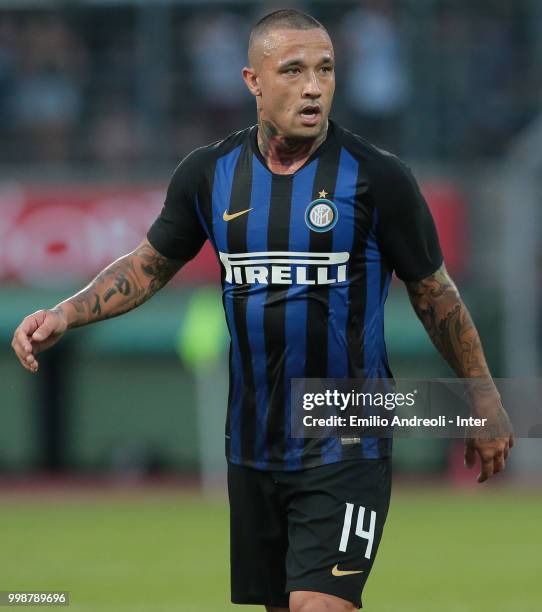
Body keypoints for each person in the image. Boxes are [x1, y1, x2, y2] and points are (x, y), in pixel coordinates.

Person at [11, 9, 514, 612]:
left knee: (319, 605)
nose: (313, 86)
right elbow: (149, 264)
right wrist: (66, 313)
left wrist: (481, 399)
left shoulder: (378, 178)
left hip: (348, 432)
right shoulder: (209, 174)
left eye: (325, 70)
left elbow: (437, 296)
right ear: (252, 80)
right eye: (294, 70)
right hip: (253, 440)